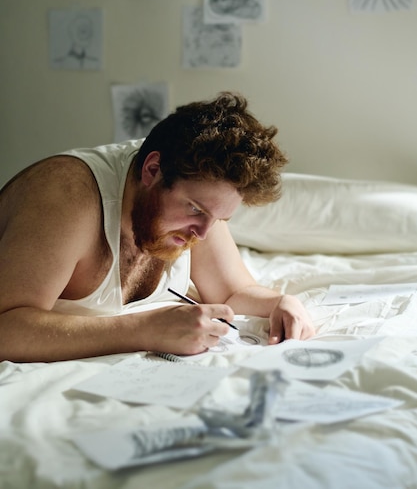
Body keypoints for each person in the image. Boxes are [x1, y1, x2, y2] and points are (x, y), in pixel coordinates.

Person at [0, 92, 314, 362]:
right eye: (196, 209)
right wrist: (144, 330)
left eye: (218, 219)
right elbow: (5, 327)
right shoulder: (66, 197)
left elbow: (234, 291)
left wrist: (281, 302)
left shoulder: (199, 205)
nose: (202, 234)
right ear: (152, 170)